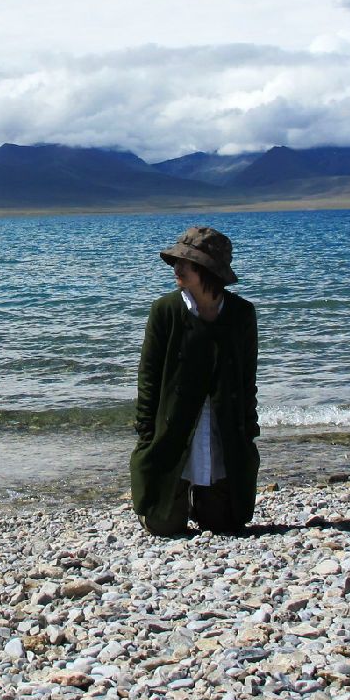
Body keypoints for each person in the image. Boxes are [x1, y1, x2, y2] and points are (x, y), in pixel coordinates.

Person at [131, 226, 260, 535]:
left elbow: (247, 381)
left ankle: (204, 496)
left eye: (184, 262)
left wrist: (247, 434)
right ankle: (177, 493)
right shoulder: (165, 311)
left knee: (226, 522)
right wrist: (147, 437)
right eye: (176, 261)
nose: (176, 268)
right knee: (164, 524)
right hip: (172, 432)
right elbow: (148, 379)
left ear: (205, 269)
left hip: (221, 431)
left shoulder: (242, 314)